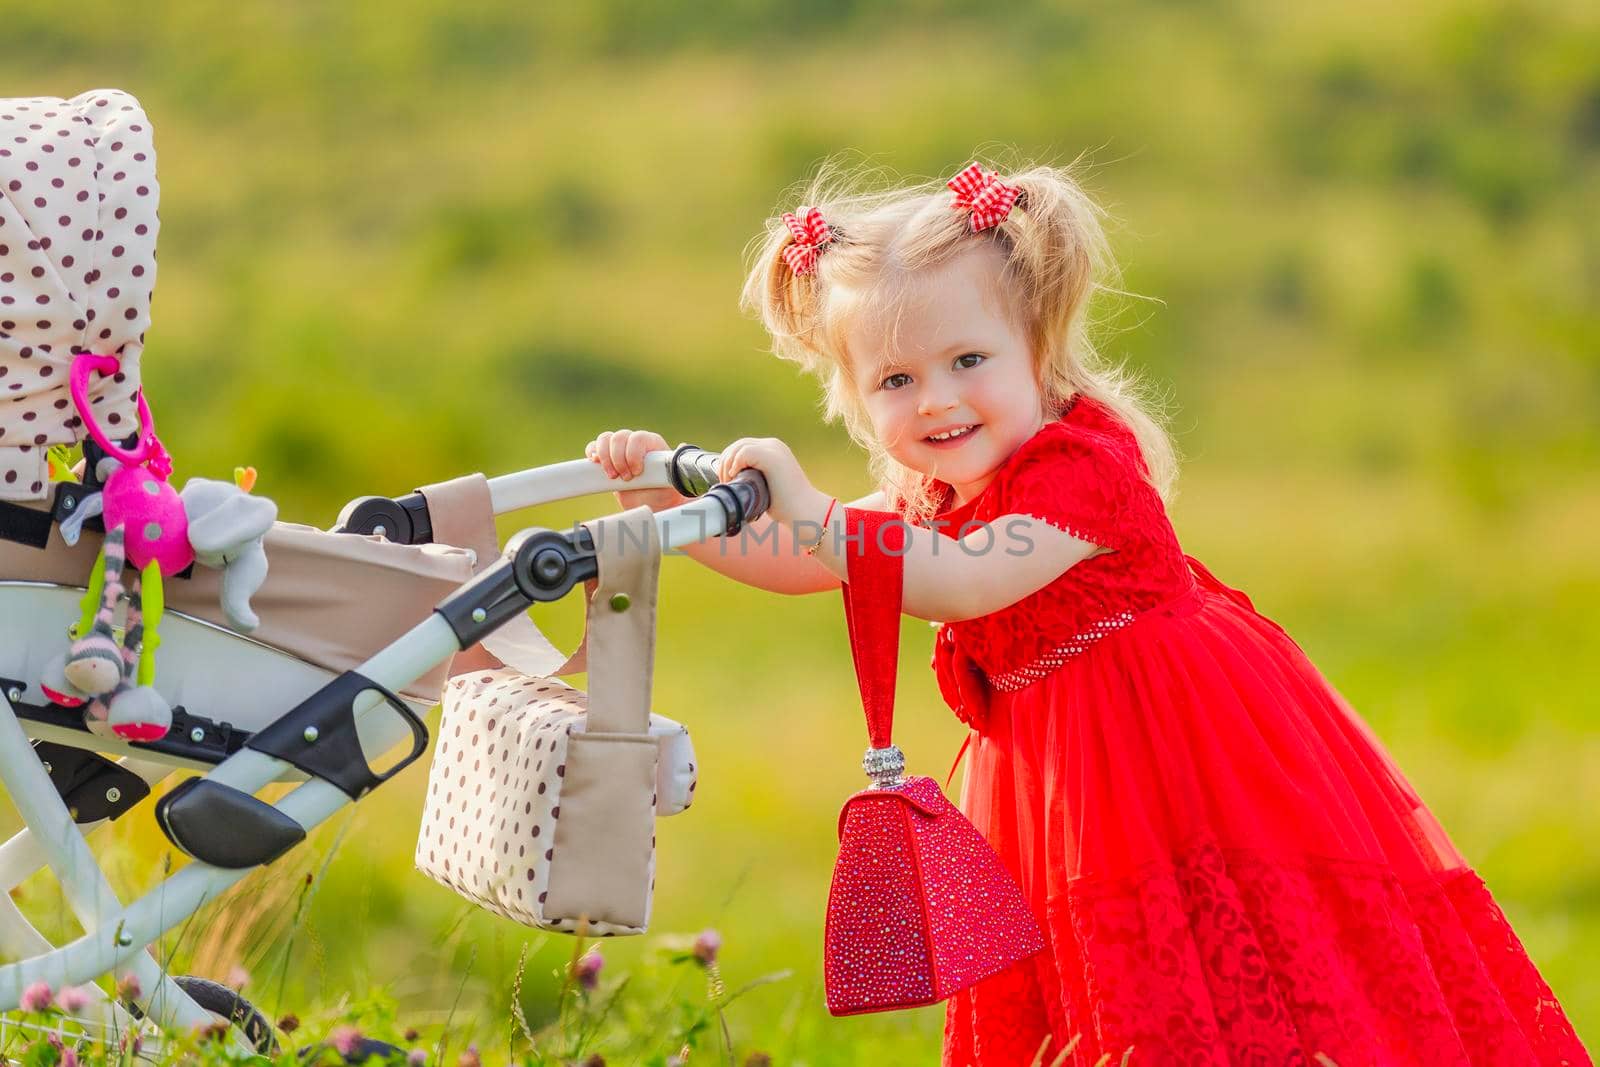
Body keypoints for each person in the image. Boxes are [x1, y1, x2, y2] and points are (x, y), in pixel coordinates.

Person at [584, 158, 1590, 1065]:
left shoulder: (1081, 471)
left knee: (1216, 969)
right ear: (851, 397)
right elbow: (812, 560)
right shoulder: (931, 488)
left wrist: (809, 509)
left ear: (1037, 347)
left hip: (1175, 749)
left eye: (968, 361)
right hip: (1060, 770)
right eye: (896, 379)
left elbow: (963, 579)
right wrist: (668, 512)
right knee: (1090, 985)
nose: (937, 400)